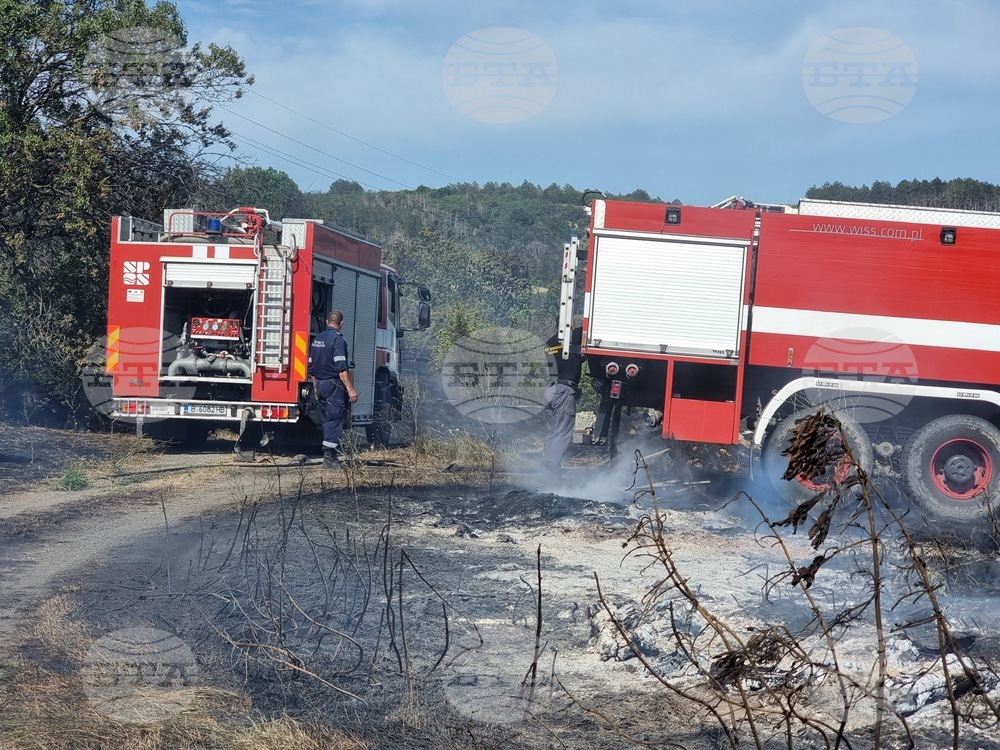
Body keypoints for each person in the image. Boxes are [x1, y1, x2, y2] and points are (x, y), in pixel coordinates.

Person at [309, 310, 359, 468]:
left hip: (321, 384)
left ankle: (329, 457)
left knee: (327, 420)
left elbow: (311, 368)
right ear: (341, 323)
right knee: (334, 420)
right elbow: (341, 368)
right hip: (334, 385)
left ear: (326, 321)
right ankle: (330, 459)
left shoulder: (317, 339)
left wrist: (316, 387)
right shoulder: (338, 340)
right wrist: (350, 389)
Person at [542, 326, 583, 471]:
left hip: (550, 391)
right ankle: (553, 469)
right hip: (564, 391)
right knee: (563, 431)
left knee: (552, 431)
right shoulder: (573, 342)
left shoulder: (549, 343)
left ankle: (547, 466)